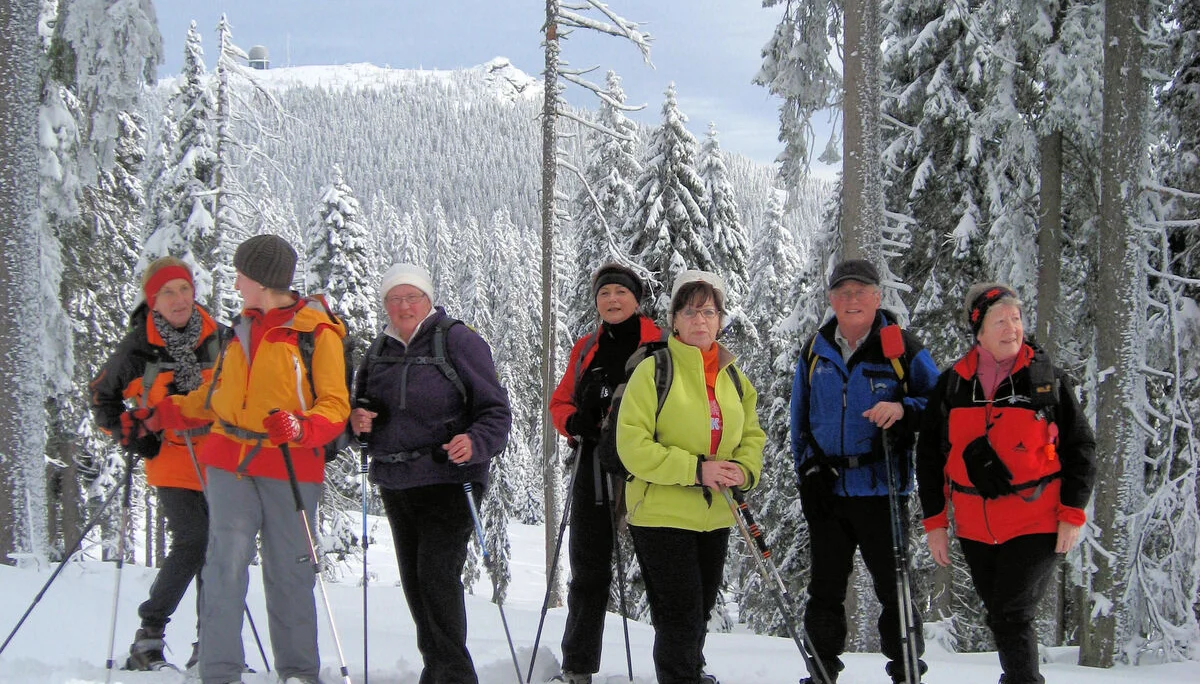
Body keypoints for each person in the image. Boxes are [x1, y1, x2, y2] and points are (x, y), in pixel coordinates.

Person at [154, 234, 350, 684]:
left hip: (289, 465)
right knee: (223, 565)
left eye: (241, 274)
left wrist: (300, 426)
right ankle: (218, 673)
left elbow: (335, 405)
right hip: (229, 463)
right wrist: (163, 413)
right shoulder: (241, 329)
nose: (236, 282)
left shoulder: (317, 333)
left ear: (261, 280)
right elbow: (216, 396)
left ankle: (298, 673)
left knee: (290, 571)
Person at [916, 283, 1095, 684]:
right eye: (1000, 321)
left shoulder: (1045, 381)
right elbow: (928, 458)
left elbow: (1081, 448)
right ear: (978, 331)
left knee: (1012, 612)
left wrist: (1072, 512)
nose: (1012, 328)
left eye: (1016, 318)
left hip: (1037, 520)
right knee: (1001, 614)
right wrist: (935, 523)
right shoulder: (953, 385)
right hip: (975, 527)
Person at [350, 263, 512, 684]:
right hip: (396, 480)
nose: (403, 306)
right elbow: (363, 406)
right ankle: (437, 669)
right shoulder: (379, 348)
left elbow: (495, 411)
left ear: (429, 299)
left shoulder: (457, 340)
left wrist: (474, 441)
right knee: (415, 582)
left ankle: (453, 675)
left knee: (436, 574)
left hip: (449, 479)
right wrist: (360, 420)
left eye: (412, 297)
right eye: (394, 299)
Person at [789, 258, 939, 683]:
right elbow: (799, 418)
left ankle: (906, 672)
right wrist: (807, 471)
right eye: (843, 292)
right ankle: (821, 673)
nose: (851, 299)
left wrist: (903, 409)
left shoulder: (901, 348)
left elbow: (938, 404)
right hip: (828, 490)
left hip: (882, 490)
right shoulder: (816, 349)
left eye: (860, 292)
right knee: (825, 589)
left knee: (895, 589)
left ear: (876, 297)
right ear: (832, 299)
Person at [615, 270, 764, 684]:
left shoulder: (733, 377)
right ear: (675, 321)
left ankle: (691, 673)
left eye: (709, 312)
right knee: (679, 616)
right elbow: (633, 447)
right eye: (690, 311)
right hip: (660, 513)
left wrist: (744, 469)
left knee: (698, 612)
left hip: (715, 515)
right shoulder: (654, 370)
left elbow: (752, 435)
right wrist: (697, 470)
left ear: (720, 321)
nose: (700, 320)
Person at [90, 257, 221, 671]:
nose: (179, 299)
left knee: (219, 549)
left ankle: (211, 645)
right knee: (195, 539)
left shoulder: (219, 336)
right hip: (170, 459)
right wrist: (129, 431)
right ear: (152, 300)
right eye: (168, 292)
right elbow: (101, 397)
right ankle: (149, 633)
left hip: (220, 458)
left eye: (184, 289)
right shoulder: (137, 348)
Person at [548, 263, 664, 684]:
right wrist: (573, 422)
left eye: (620, 292)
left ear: (636, 299)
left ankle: (682, 667)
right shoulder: (586, 348)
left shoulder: (661, 345)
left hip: (648, 467)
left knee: (664, 571)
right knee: (588, 569)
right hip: (593, 465)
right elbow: (560, 402)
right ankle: (577, 667)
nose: (612, 300)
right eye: (604, 293)